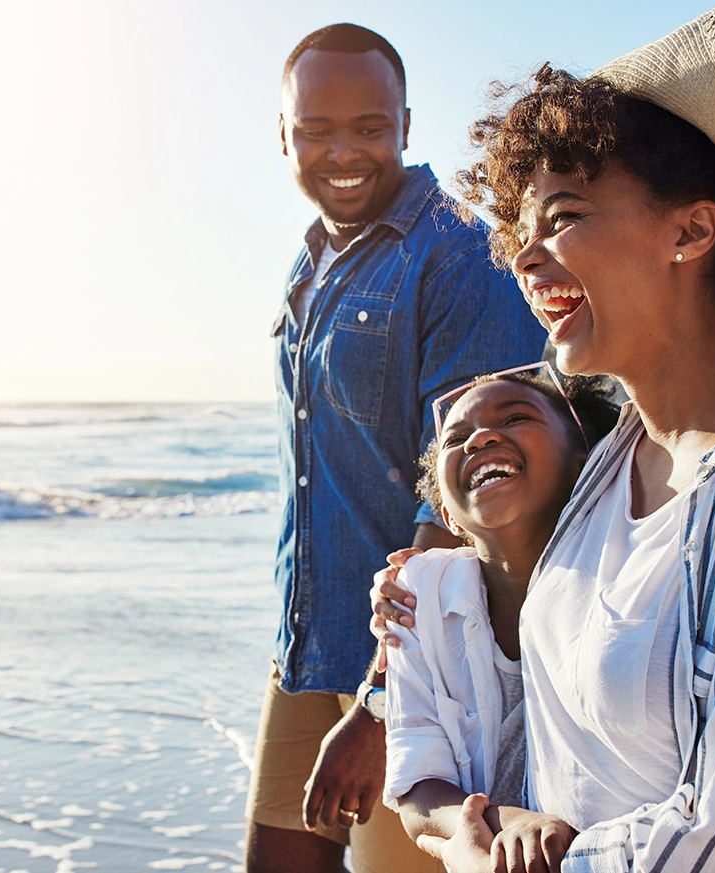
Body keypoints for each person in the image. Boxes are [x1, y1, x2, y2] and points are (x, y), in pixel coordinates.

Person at [369, 6, 715, 871]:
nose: (524, 258)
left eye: (564, 216)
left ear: (690, 230)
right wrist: (421, 600)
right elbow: (552, 705)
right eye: (521, 232)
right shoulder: (606, 467)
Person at [246, 22, 548, 873]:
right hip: (308, 652)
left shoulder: (456, 256)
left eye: (369, 128)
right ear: (284, 135)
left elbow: (469, 498)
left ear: (407, 125)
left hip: (414, 672)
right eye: (315, 130)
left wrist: (381, 703)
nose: (343, 152)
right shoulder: (310, 263)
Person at [382, 366, 619, 872]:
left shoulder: (626, 587)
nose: (482, 437)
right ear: (445, 512)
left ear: (585, 465)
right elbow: (416, 782)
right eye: (456, 438)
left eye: (515, 417)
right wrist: (499, 824)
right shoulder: (415, 596)